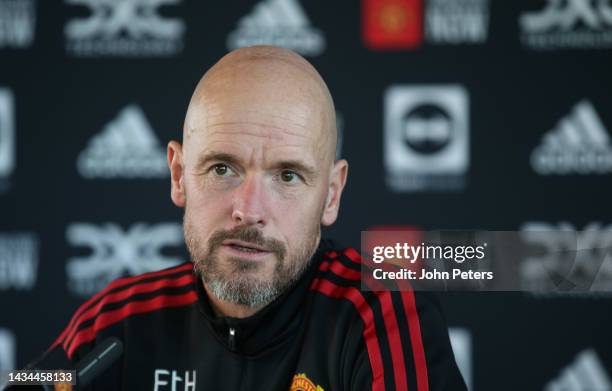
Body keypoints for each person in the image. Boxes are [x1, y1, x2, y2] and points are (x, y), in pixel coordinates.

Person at [22, 46, 466, 390]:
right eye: (222, 169)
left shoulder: (383, 314)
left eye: (288, 176)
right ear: (179, 176)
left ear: (330, 195)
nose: (249, 210)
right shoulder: (115, 320)